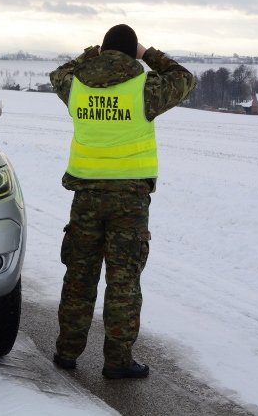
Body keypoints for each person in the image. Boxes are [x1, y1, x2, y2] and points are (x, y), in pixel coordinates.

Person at [49, 24, 196, 379]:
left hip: (86, 198)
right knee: (124, 281)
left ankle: (67, 352)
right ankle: (117, 361)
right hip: (129, 203)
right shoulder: (145, 89)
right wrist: (148, 55)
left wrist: (89, 54)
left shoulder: (76, 86)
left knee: (80, 276)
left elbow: (58, 73)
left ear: (103, 50)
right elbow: (184, 77)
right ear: (132, 53)